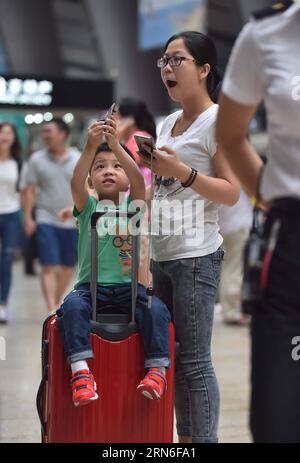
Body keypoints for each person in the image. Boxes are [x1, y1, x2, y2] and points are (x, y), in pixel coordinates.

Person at [139, 31, 240, 443]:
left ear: (203, 69)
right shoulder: (167, 123)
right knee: (169, 358)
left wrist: (184, 172)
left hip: (197, 255)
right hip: (163, 254)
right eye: (163, 61)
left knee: (194, 362)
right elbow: (161, 188)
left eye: (176, 60)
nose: (167, 68)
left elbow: (232, 192)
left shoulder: (219, 121)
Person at [216, 0, 300, 442]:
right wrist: (266, 197)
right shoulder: (267, 34)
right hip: (291, 242)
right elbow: (230, 133)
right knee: (278, 408)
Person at [56, 117, 171, 407]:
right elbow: (75, 179)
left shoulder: (134, 205)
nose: (109, 171)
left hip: (129, 289)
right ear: (91, 179)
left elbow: (137, 178)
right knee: (70, 307)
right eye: (100, 167)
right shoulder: (87, 207)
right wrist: (90, 146)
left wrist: (119, 148)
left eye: (116, 166)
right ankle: (81, 373)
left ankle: (156, 370)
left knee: (156, 309)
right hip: (89, 289)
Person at [23, 118, 79, 314]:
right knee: (49, 265)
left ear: (63, 134)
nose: (45, 135)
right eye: (44, 131)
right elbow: (28, 189)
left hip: (72, 221)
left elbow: (86, 188)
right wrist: (28, 217)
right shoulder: (36, 159)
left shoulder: (77, 158)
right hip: (46, 218)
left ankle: (56, 301)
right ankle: (51, 308)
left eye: (49, 131)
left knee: (67, 267)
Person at [115, 98, 157, 286]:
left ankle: (142, 302)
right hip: (136, 208)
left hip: (139, 210)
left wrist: (117, 136)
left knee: (138, 262)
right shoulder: (136, 137)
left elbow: (127, 162)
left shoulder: (138, 137)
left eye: (117, 115)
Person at [218, 188, 252, 325]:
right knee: (234, 269)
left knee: (230, 268)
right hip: (237, 226)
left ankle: (229, 309)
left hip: (226, 225)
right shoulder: (236, 173)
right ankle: (232, 311)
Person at [0, 122, 22, 323]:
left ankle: (3, 304)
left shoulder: (18, 163)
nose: (5, 136)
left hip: (11, 214)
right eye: (2, 132)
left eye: (9, 133)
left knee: (6, 260)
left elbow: (23, 190)